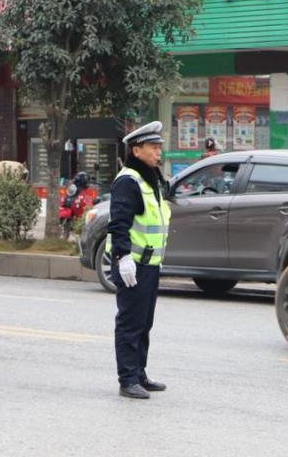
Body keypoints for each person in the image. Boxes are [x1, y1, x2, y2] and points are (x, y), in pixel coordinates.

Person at [107, 120, 170, 399]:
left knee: (144, 323)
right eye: (152, 147)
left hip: (150, 264)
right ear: (136, 150)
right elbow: (119, 223)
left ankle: (140, 373)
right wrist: (123, 258)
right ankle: (128, 379)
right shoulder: (128, 181)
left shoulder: (149, 179)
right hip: (132, 265)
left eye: (159, 147)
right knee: (130, 323)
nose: (158, 152)